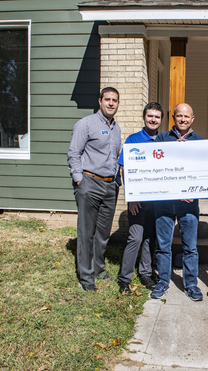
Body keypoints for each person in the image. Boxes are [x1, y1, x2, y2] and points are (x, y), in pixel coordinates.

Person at [67, 87, 121, 292]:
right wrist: (79, 180)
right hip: (90, 182)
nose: (111, 103)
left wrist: (116, 182)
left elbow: (115, 157)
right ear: (100, 101)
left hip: (110, 185)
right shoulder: (86, 124)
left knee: (103, 233)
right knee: (86, 232)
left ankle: (98, 268)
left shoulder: (116, 128)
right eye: (107, 99)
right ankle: (86, 276)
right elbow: (73, 153)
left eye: (114, 100)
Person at [150, 103, 204, 301]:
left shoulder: (200, 142)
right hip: (164, 202)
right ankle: (163, 282)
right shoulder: (161, 139)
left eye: (186, 116)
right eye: (179, 116)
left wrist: (196, 190)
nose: (183, 119)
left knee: (190, 247)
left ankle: (191, 284)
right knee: (163, 245)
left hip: (188, 204)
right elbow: (154, 167)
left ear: (192, 118)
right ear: (173, 117)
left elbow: (203, 172)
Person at [116, 102, 164, 294]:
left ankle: (145, 273)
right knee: (135, 238)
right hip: (138, 201)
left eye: (157, 117)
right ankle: (124, 278)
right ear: (144, 117)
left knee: (149, 239)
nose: (153, 119)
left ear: (161, 119)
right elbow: (124, 170)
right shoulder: (133, 140)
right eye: (150, 116)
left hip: (158, 202)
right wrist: (132, 198)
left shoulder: (164, 140)